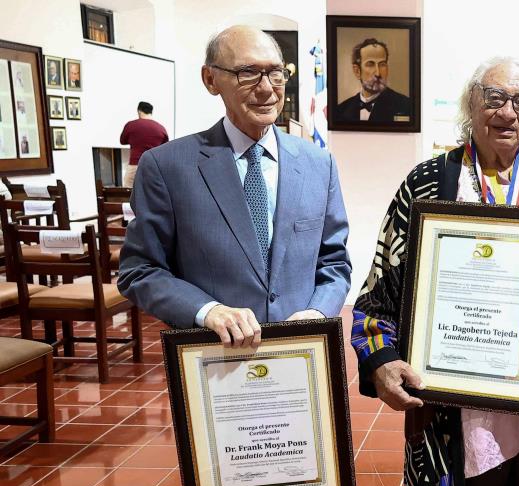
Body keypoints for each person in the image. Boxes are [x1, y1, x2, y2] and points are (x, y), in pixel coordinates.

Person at [351, 57, 519, 486]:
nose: (507, 112)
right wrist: (380, 358)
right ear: (471, 105)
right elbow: (380, 286)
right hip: (456, 398)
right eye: (494, 98)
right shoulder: (428, 183)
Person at [118, 25, 351, 347]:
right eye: (248, 73)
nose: (267, 88)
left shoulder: (318, 164)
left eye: (276, 73)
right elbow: (140, 270)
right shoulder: (167, 166)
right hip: (214, 359)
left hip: (301, 354)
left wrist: (317, 311)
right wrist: (207, 310)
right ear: (210, 79)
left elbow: (334, 262)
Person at [334, 38, 411, 122]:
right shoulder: (341, 110)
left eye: (382, 64)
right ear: (357, 71)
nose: (378, 73)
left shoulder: (405, 105)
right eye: (370, 64)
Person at [119, 101, 169, 187]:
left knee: (128, 192)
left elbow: (122, 141)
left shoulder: (130, 125)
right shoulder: (161, 128)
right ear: (151, 112)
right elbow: (165, 148)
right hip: (153, 167)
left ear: (139, 111)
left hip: (135, 165)